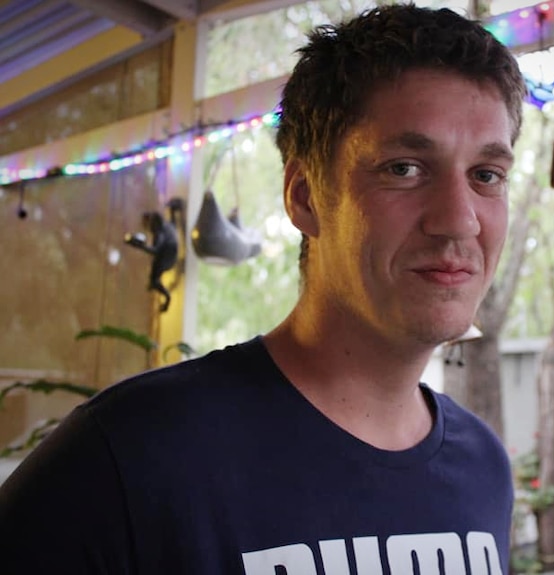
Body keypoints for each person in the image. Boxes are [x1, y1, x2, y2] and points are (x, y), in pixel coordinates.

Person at [0, 4, 526, 574]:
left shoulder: (484, 470)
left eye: (486, 176)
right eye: (404, 168)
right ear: (304, 197)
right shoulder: (133, 455)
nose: (459, 220)